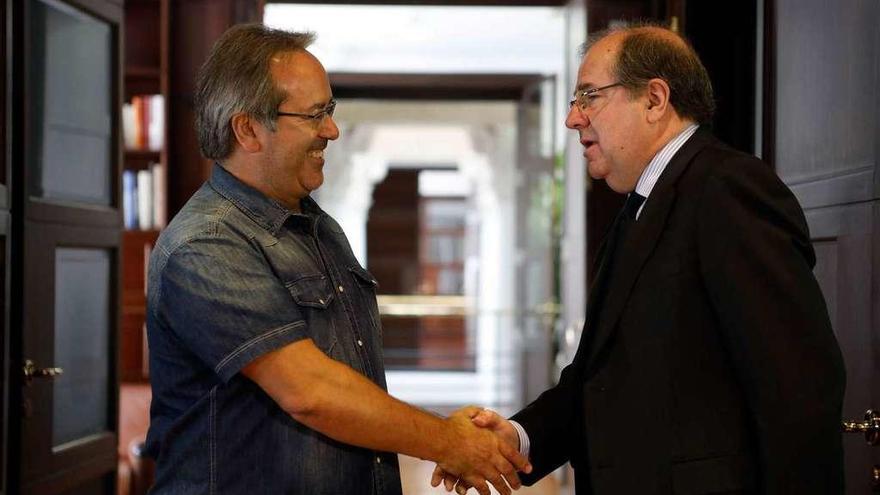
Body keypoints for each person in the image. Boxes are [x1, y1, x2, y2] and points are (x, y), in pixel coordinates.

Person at [434, 24, 845, 495]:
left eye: (589, 96)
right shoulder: (638, 206)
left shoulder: (727, 190)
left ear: (654, 99)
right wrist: (518, 437)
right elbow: (597, 380)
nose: (572, 118)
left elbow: (799, 390)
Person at [144, 23, 530, 495]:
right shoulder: (206, 244)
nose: (332, 129)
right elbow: (312, 393)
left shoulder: (316, 225)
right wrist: (448, 440)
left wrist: (447, 435)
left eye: (330, 109)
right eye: (313, 115)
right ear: (247, 129)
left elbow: (350, 384)